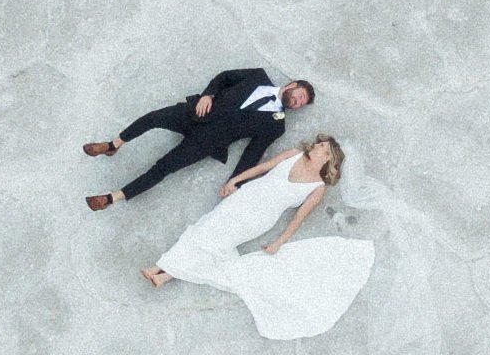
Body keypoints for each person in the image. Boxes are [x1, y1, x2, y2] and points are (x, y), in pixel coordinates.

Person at [139, 135, 374, 341]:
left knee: (212, 240)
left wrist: (279, 241)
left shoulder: (318, 187)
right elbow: (263, 168)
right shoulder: (294, 154)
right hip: (244, 198)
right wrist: (235, 181)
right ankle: (164, 274)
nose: (317, 145)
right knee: (204, 230)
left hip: (260, 218)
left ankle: (161, 269)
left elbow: (298, 218)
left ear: (327, 158)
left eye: (323, 147)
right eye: (319, 143)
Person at [84, 69, 314, 210]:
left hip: (206, 142)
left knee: (162, 168)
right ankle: (114, 145)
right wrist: (208, 95)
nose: (298, 102)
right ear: (292, 85)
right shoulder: (258, 76)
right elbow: (224, 77)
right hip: (198, 112)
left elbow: (253, 152)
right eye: (300, 96)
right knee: (153, 118)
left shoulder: (276, 125)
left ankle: (111, 198)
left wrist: (235, 182)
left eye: (301, 103)